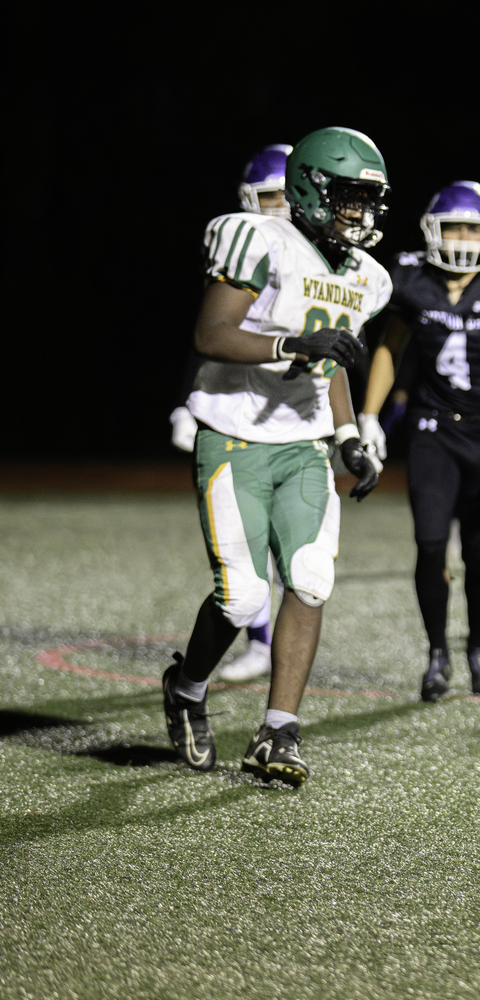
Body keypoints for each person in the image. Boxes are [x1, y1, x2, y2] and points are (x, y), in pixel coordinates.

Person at [163, 127, 389, 787]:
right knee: (239, 598)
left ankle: (279, 728)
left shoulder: (366, 275)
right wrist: (294, 346)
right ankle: (186, 688)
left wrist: (349, 437)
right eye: (349, 199)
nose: (361, 214)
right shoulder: (260, 239)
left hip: (303, 445)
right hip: (234, 436)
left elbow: (338, 359)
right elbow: (212, 333)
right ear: (311, 191)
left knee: (311, 579)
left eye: (368, 202)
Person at [359, 181, 480, 700]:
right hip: (432, 429)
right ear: (432, 230)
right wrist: (369, 416)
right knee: (428, 545)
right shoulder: (412, 280)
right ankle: (437, 652)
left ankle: (479, 647)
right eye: (454, 227)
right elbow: (388, 350)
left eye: (473, 227)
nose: (463, 237)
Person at [168, 144, 296, 683]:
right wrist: (184, 401)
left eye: (290, 197)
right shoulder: (240, 249)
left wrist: (348, 423)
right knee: (248, 551)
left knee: (300, 559)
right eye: (270, 197)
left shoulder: (319, 255)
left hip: (298, 416)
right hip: (239, 417)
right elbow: (209, 333)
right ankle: (263, 645)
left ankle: (278, 658)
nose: (281, 209)